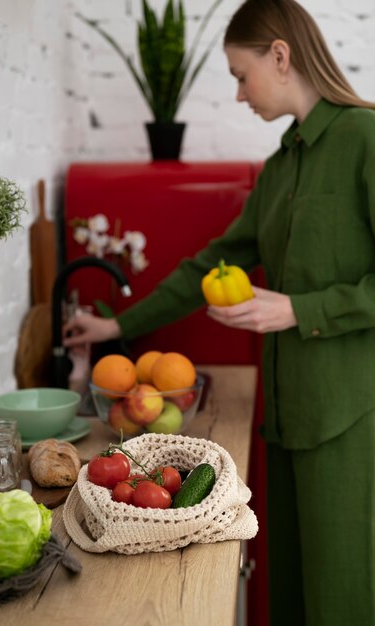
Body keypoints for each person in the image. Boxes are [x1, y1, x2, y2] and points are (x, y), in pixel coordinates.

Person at [63, 1, 375, 624]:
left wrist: (300, 309)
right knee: (287, 600)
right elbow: (211, 264)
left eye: (240, 73)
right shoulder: (281, 168)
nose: (237, 94)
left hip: (350, 422)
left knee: (344, 602)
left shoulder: (365, 140)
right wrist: (118, 327)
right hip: (281, 422)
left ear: (280, 56)